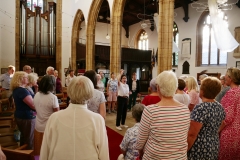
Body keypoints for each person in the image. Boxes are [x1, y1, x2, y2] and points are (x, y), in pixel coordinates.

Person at [40, 76, 109, 160]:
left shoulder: (54, 117)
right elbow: (104, 153)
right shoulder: (97, 119)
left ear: (69, 92)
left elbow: (45, 151)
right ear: (90, 95)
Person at [136, 71, 190, 159]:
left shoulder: (150, 110)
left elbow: (140, 142)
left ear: (158, 88)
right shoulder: (185, 109)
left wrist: (141, 152)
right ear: (176, 88)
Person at [187, 77, 225, 159]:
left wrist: (185, 150)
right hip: (214, 144)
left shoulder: (201, 108)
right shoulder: (220, 106)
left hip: (200, 147)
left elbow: (192, 134)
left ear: (202, 91)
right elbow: (223, 123)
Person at [34, 75, 60, 155]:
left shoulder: (37, 94)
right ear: (52, 85)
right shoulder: (52, 97)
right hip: (49, 126)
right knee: (49, 151)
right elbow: (57, 114)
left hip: (38, 125)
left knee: (40, 150)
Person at [218, 67, 240, 160]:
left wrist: (217, 131)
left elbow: (228, 117)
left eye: (226, 75)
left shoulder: (231, 93)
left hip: (230, 133)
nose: (225, 77)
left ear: (231, 78)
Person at [10, 71, 35, 149]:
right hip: (26, 116)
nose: (28, 78)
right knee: (29, 139)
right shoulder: (22, 90)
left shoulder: (18, 89)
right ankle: (29, 155)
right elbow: (33, 105)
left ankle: (22, 154)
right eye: (26, 77)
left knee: (24, 137)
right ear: (20, 79)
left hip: (21, 115)